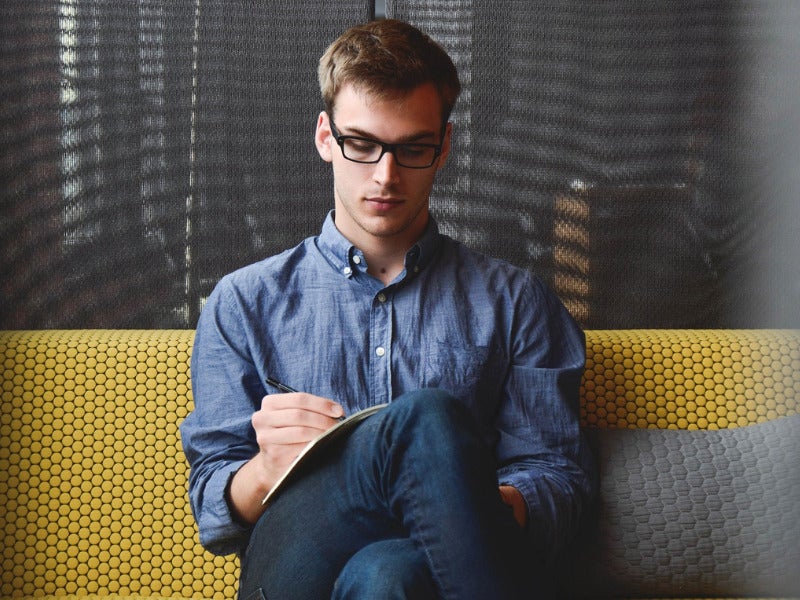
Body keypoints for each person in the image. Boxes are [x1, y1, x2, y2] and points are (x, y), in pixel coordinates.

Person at [180, 18, 595, 600]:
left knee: (388, 574)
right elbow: (212, 508)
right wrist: (266, 469)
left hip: (426, 574)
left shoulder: (516, 302)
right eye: (361, 144)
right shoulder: (244, 301)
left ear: (443, 147)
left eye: (413, 149)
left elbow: (559, 484)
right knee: (425, 421)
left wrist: (456, 500)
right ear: (325, 138)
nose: (385, 175)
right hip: (293, 572)